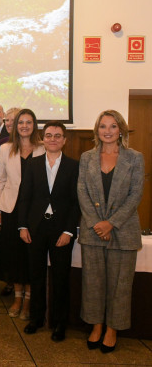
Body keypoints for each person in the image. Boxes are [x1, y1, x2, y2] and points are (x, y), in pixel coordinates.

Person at [77, 110, 144, 353]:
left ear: (121, 130)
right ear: (97, 131)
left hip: (123, 231)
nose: (107, 131)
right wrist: (97, 223)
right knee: (93, 282)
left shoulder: (135, 158)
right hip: (92, 230)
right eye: (103, 126)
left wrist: (110, 223)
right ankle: (96, 325)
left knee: (120, 284)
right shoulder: (86, 157)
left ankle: (113, 328)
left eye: (113, 126)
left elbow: (135, 195)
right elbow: (81, 192)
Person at [19, 121, 79, 342]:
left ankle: (59, 323)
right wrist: (22, 226)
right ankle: (36, 319)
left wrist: (69, 231)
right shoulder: (32, 164)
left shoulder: (74, 166)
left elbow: (76, 203)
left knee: (61, 278)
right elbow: (24, 197)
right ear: (43, 139)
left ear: (64, 140)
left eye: (58, 135)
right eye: (49, 135)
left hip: (61, 229)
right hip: (35, 227)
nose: (53, 139)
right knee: (35, 275)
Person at [0, 109, 44, 320]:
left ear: (34, 125)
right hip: (10, 209)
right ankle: (16, 297)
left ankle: (29, 300)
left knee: (31, 256)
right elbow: (1, 180)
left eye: (28, 122)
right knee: (14, 256)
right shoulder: (6, 149)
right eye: (20, 122)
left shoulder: (43, 148)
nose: (24, 125)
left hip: (35, 212)